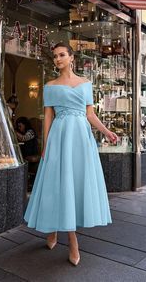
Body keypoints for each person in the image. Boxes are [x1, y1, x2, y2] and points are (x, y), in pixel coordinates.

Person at [24, 42, 117, 266]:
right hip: (60, 137)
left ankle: (55, 231)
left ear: (71, 57)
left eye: (62, 55)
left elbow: (90, 115)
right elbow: (47, 117)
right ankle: (71, 241)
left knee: (72, 184)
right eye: (55, 56)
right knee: (58, 184)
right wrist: (46, 144)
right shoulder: (50, 85)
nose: (58, 59)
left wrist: (106, 131)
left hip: (81, 139)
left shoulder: (86, 84)